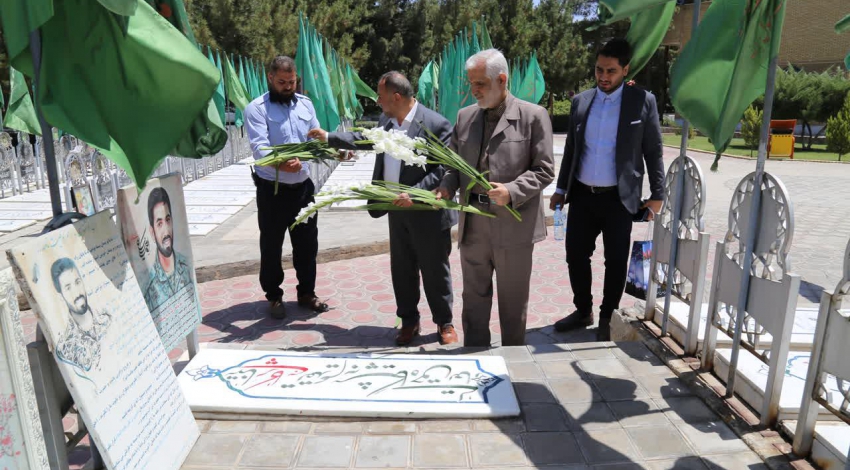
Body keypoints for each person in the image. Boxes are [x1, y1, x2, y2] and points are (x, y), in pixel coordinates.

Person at [308, 72, 458, 346]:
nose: (377, 101)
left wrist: (416, 193)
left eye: (380, 95)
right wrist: (329, 137)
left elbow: (443, 170)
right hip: (396, 210)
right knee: (402, 270)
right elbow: (364, 138)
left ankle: (444, 322)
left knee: (435, 270)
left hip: (427, 212)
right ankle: (409, 321)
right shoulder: (386, 121)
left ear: (396, 97)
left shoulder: (436, 124)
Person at [435, 49, 555, 347]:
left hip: (514, 226)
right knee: (473, 299)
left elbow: (544, 170)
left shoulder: (532, 116)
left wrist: (512, 192)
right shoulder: (465, 117)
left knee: (513, 302)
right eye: (471, 84)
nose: (473, 91)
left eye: (480, 84)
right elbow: (453, 165)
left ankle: (513, 361)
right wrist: (447, 186)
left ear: (501, 80)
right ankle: (475, 355)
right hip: (473, 223)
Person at [549, 38, 665, 341]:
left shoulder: (642, 101)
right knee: (575, 255)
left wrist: (657, 195)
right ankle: (583, 310)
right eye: (599, 69)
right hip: (583, 195)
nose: (603, 77)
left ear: (625, 70)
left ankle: (606, 316)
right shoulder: (582, 101)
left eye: (611, 71)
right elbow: (572, 150)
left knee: (615, 260)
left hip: (619, 198)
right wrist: (561, 189)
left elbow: (653, 150)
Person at [245, 56, 329, 319]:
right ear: (270, 78)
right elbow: (260, 149)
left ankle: (306, 293)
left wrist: (331, 147)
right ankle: (274, 296)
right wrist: (281, 164)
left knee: (307, 244)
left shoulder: (305, 104)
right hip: (273, 190)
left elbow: (315, 137)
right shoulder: (256, 109)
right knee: (271, 245)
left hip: (303, 187)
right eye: (282, 82)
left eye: (292, 82)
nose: (287, 86)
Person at [51, 258, 112, 374]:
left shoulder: (106, 318)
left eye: (77, 282)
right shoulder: (68, 349)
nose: (77, 292)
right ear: (61, 296)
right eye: (68, 288)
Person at [143, 187, 194, 311]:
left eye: (167, 220)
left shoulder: (186, 267)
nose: (166, 231)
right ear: (152, 232)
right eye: (159, 224)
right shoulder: (150, 288)